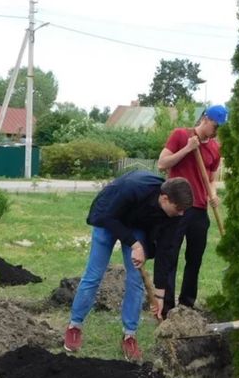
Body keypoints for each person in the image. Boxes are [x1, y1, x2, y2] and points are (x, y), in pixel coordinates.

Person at [62, 170, 193, 361]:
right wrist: (135, 245)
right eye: (178, 208)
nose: (181, 213)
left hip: (137, 224)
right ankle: (74, 326)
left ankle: (129, 336)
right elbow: (109, 218)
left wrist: (160, 294)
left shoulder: (176, 214)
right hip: (109, 216)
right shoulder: (133, 188)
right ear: (165, 198)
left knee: (135, 280)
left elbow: (166, 251)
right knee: (94, 274)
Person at [155, 104, 227, 318]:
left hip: (199, 210)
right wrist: (187, 148)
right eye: (215, 126)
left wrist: (213, 194)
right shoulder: (180, 135)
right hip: (177, 208)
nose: (216, 131)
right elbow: (162, 164)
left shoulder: (214, 148)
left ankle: (187, 304)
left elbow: (211, 179)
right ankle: (167, 307)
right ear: (205, 118)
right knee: (171, 255)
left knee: (194, 259)